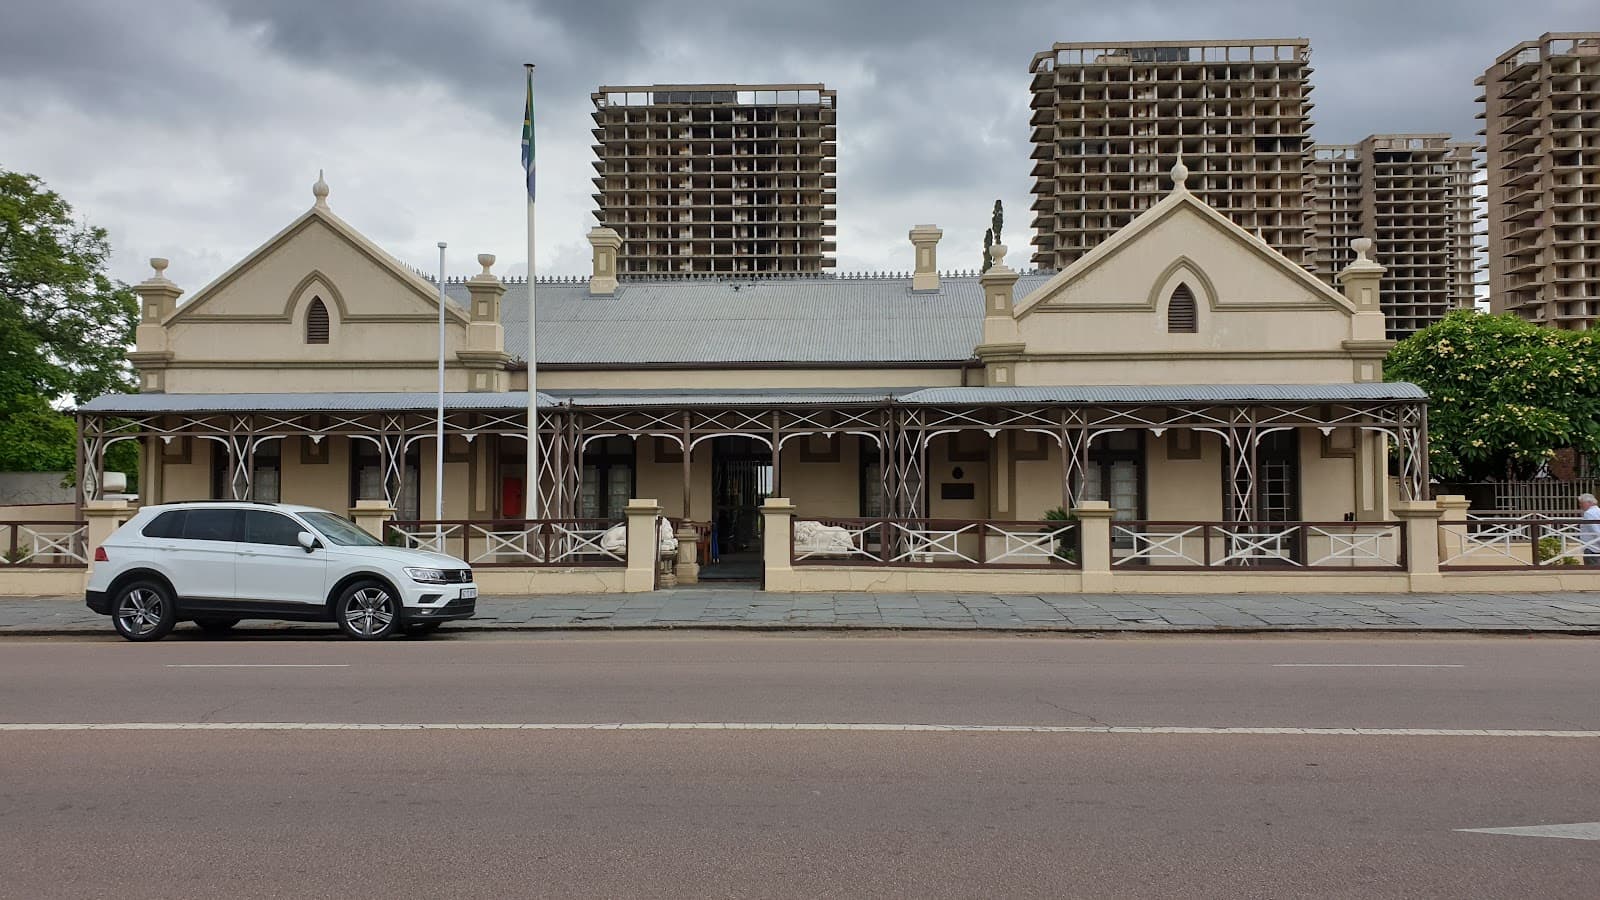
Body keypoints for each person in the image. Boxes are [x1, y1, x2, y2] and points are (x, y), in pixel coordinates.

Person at [1581, 493, 1600, 567]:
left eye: (1582, 503)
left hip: (1592, 547)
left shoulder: (1588, 513)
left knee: (1592, 572)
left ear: (1589, 503)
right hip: (1596, 546)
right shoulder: (1599, 511)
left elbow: (1595, 530)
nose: (1581, 505)